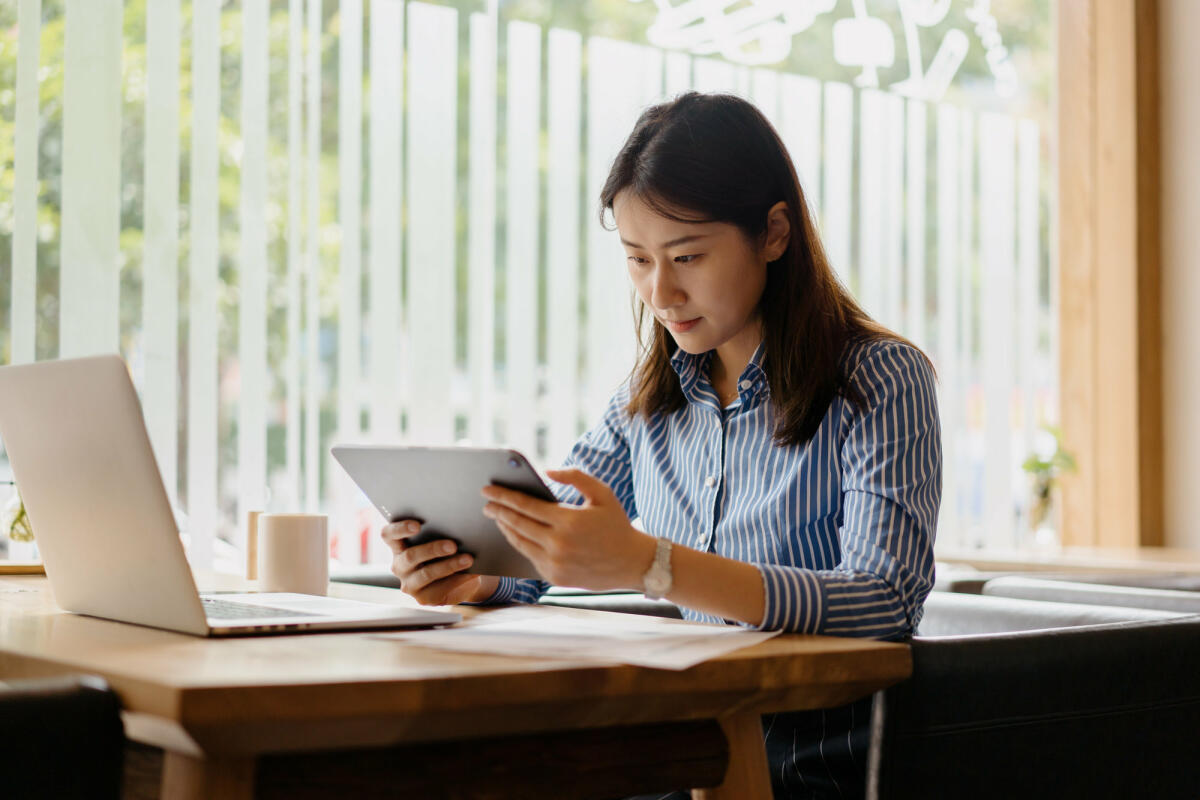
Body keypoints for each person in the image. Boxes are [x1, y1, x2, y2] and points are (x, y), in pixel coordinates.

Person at [382, 91, 941, 799]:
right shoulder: (649, 399)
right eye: (637, 259)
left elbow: (883, 599)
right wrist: (473, 571)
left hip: (812, 761)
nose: (661, 291)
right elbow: (543, 547)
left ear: (774, 234)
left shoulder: (879, 378)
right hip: (682, 744)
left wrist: (653, 564)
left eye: (687, 256)